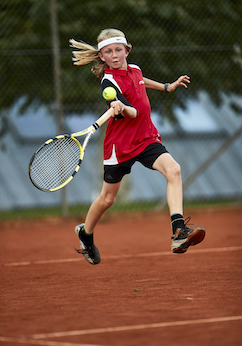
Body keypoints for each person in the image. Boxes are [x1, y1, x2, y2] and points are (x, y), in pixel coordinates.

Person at [70, 28, 205, 265]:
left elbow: (141, 82)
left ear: (126, 50)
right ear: (101, 56)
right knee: (108, 199)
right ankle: (85, 234)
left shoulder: (135, 69)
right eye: (108, 52)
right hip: (119, 146)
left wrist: (166, 86)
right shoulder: (108, 82)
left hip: (145, 138)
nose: (114, 55)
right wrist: (123, 107)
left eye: (118, 50)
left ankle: (178, 232)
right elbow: (132, 112)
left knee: (173, 170)